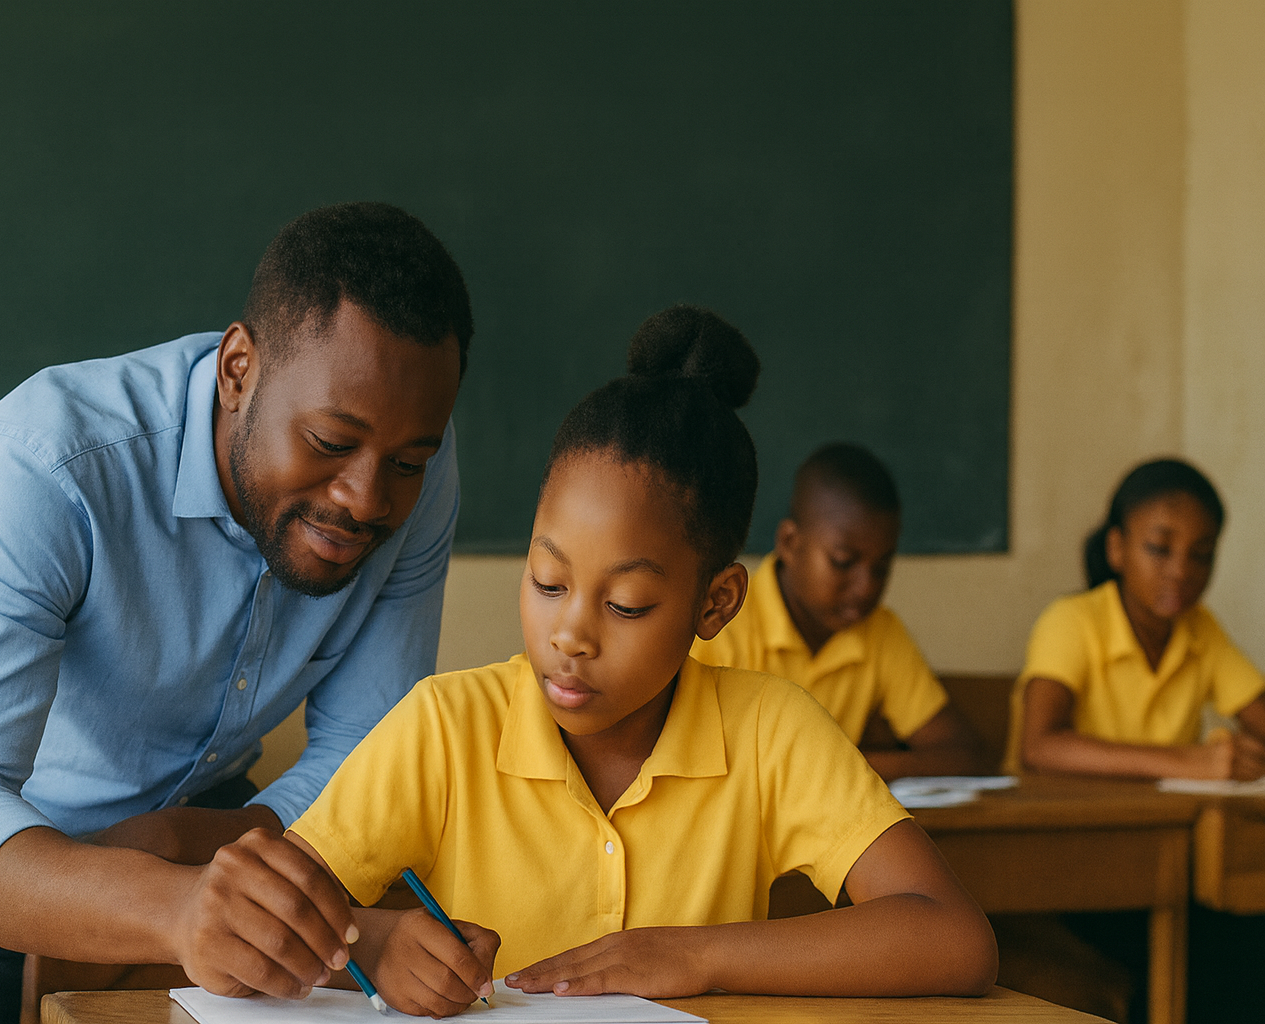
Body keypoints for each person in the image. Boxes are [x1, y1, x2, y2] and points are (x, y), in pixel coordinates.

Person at [285, 306, 997, 1016]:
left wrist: (696, 952)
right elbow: (273, 911)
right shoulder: (445, 726)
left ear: (715, 604)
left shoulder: (769, 730)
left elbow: (953, 938)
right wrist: (374, 943)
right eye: (547, 581)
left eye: (625, 605)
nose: (570, 635)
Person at [0, 202, 473, 1023]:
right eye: (330, 443)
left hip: (216, 826)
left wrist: (201, 844)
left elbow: (368, 753)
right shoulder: (47, 464)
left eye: (404, 461)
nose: (366, 499)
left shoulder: (418, 473)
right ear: (237, 369)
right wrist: (177, 904)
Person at [691, 440, 988, 779]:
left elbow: (963, 754)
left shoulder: (878, 630)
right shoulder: (720, 622)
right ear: (790, 542)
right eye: (843, 562)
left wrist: (844, 769)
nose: (867, 587)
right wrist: (844, 767)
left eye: (881, 568)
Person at [1010, 457, 1265, 778]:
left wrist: (1245, 756)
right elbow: (1038, 748)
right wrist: (1188, 762)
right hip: (1054, 821)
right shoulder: (1071, 620)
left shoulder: (1201, 629)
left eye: (1200, 554)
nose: (1181, 572)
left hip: (1157, 821)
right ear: (1116, 548)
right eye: (1160, 549)